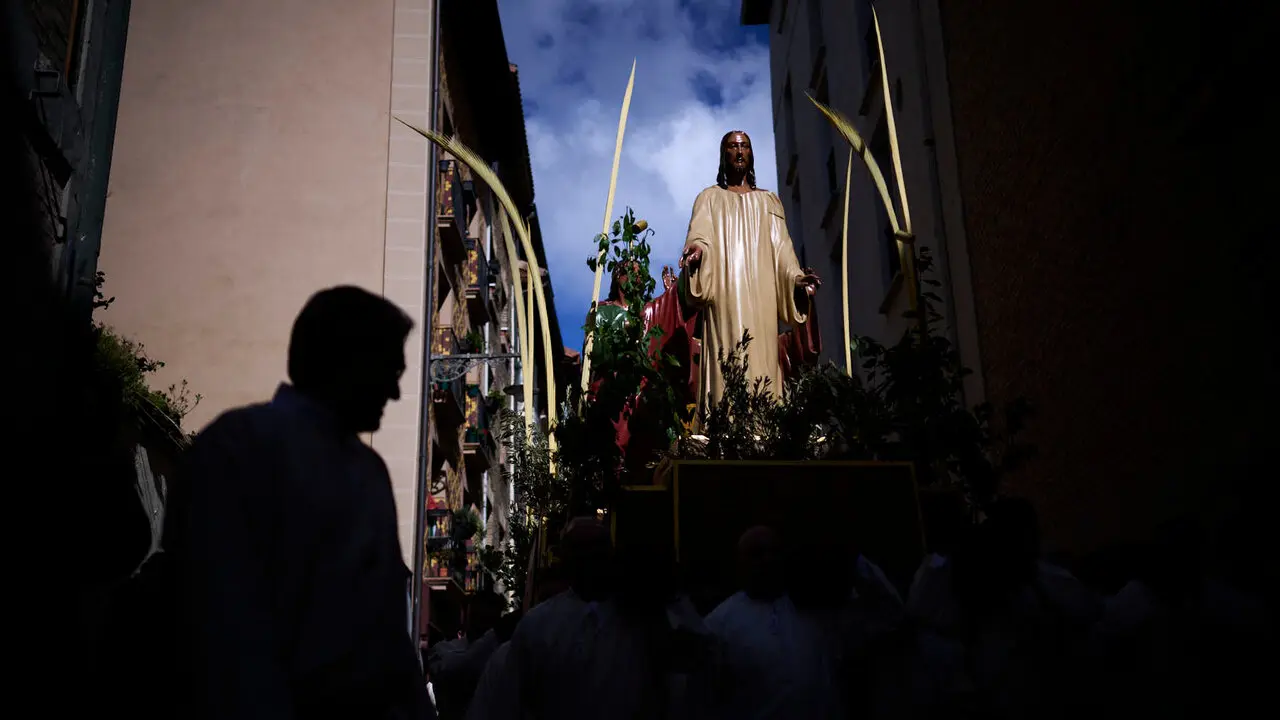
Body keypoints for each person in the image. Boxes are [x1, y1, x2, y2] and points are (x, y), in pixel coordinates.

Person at [166, 286, 431, 719]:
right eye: (389, 371)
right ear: (348, 363)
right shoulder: (240, 447)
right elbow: (219, 626)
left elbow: (386, 638)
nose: (396, 394)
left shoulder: (368, 472)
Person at [679, 131, 821, 419]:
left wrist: (795, 278)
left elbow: (782, 249)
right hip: (724, 294)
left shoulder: (769, 201)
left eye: (745, 146)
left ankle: (765, 425)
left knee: (762, 356)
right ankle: (724, 426)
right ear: (724, 154)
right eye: (733, 146)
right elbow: (700, 236)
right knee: (727, 356)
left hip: (762, 296)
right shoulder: (709, 198)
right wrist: (696, 252)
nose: (739, 151)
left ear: (752, 154)